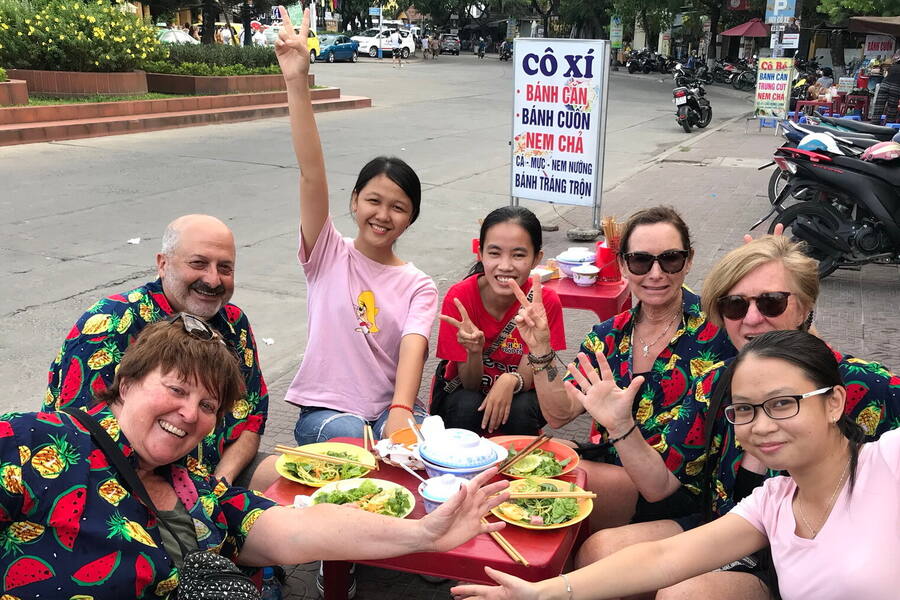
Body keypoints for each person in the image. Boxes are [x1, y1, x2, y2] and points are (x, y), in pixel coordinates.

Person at [2, 317, 511, 599]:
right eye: (176, 389)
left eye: (207, 406)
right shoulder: (43, 442)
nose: (188, 414)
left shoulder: (193, 484)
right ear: (127, 383)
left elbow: (292, 529)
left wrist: (423, 535)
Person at [450, 330, 900, 600]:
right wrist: (542, 591)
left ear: (835, 402)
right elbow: (665, 556)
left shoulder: (887, 463)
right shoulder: (775, 502)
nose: (761, 425)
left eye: (782, 403)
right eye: (744, 409)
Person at [574, 235, 899, 598]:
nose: (753, 318)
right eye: (735, 305)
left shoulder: (863, 385)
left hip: (815, 548)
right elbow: (664, 488)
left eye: (772, 302)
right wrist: (621, 426)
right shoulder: (715, 381)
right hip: (727, 526)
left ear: (806, 305)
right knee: (598, 552)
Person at [271, 8, 437, 448]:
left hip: (389, 409)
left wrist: (401, 413)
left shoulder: (419, 285)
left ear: (411, 217)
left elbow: (413, 349)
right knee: (359, 443)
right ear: (354, 202)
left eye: (398, 207)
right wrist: (296, 82)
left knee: (417, 446)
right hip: (327, 414)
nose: (383, 215)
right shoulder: (327, 253)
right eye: (374, 201)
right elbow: (311, 173)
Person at [518, 206, 735, 530]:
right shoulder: (609, 335)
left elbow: (782, 338)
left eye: (671, 259)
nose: (656, 273)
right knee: (517, 461)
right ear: (622, 265)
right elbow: (559, 414)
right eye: (641, 260)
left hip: (679, 487)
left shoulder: (721, 326)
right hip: (615, 460)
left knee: (537, 494)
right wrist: (540, 350)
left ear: (689, 261)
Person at [44, 214, 267, 488]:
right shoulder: (111, 323)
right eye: (198, 263)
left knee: (312, 490)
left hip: (216, 474)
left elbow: (253, 420)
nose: (212, 279)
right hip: (122, 484)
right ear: (163, 264)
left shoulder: (234, 324)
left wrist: (221, 481)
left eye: (225, 268)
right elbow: (81, 434)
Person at [432, 206, 566, 436]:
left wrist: (508, 379)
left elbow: (530, 372)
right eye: (494, 253)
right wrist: (473, 351)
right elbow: (470, 384)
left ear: (536, 258)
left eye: (518, 254)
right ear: (480, 253)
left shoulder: (545, 303)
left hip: (521, 394)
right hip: (470, 392)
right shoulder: (460, 298)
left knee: (522, 409)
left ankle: (520, 468)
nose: (505, 265)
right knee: (465, 404)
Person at [871, 51, 900, 124]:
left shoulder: (892, 66)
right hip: (895, 87)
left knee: (879, 106)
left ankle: (874, 124)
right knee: (892, 108)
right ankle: (889, 126)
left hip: (884, 85)